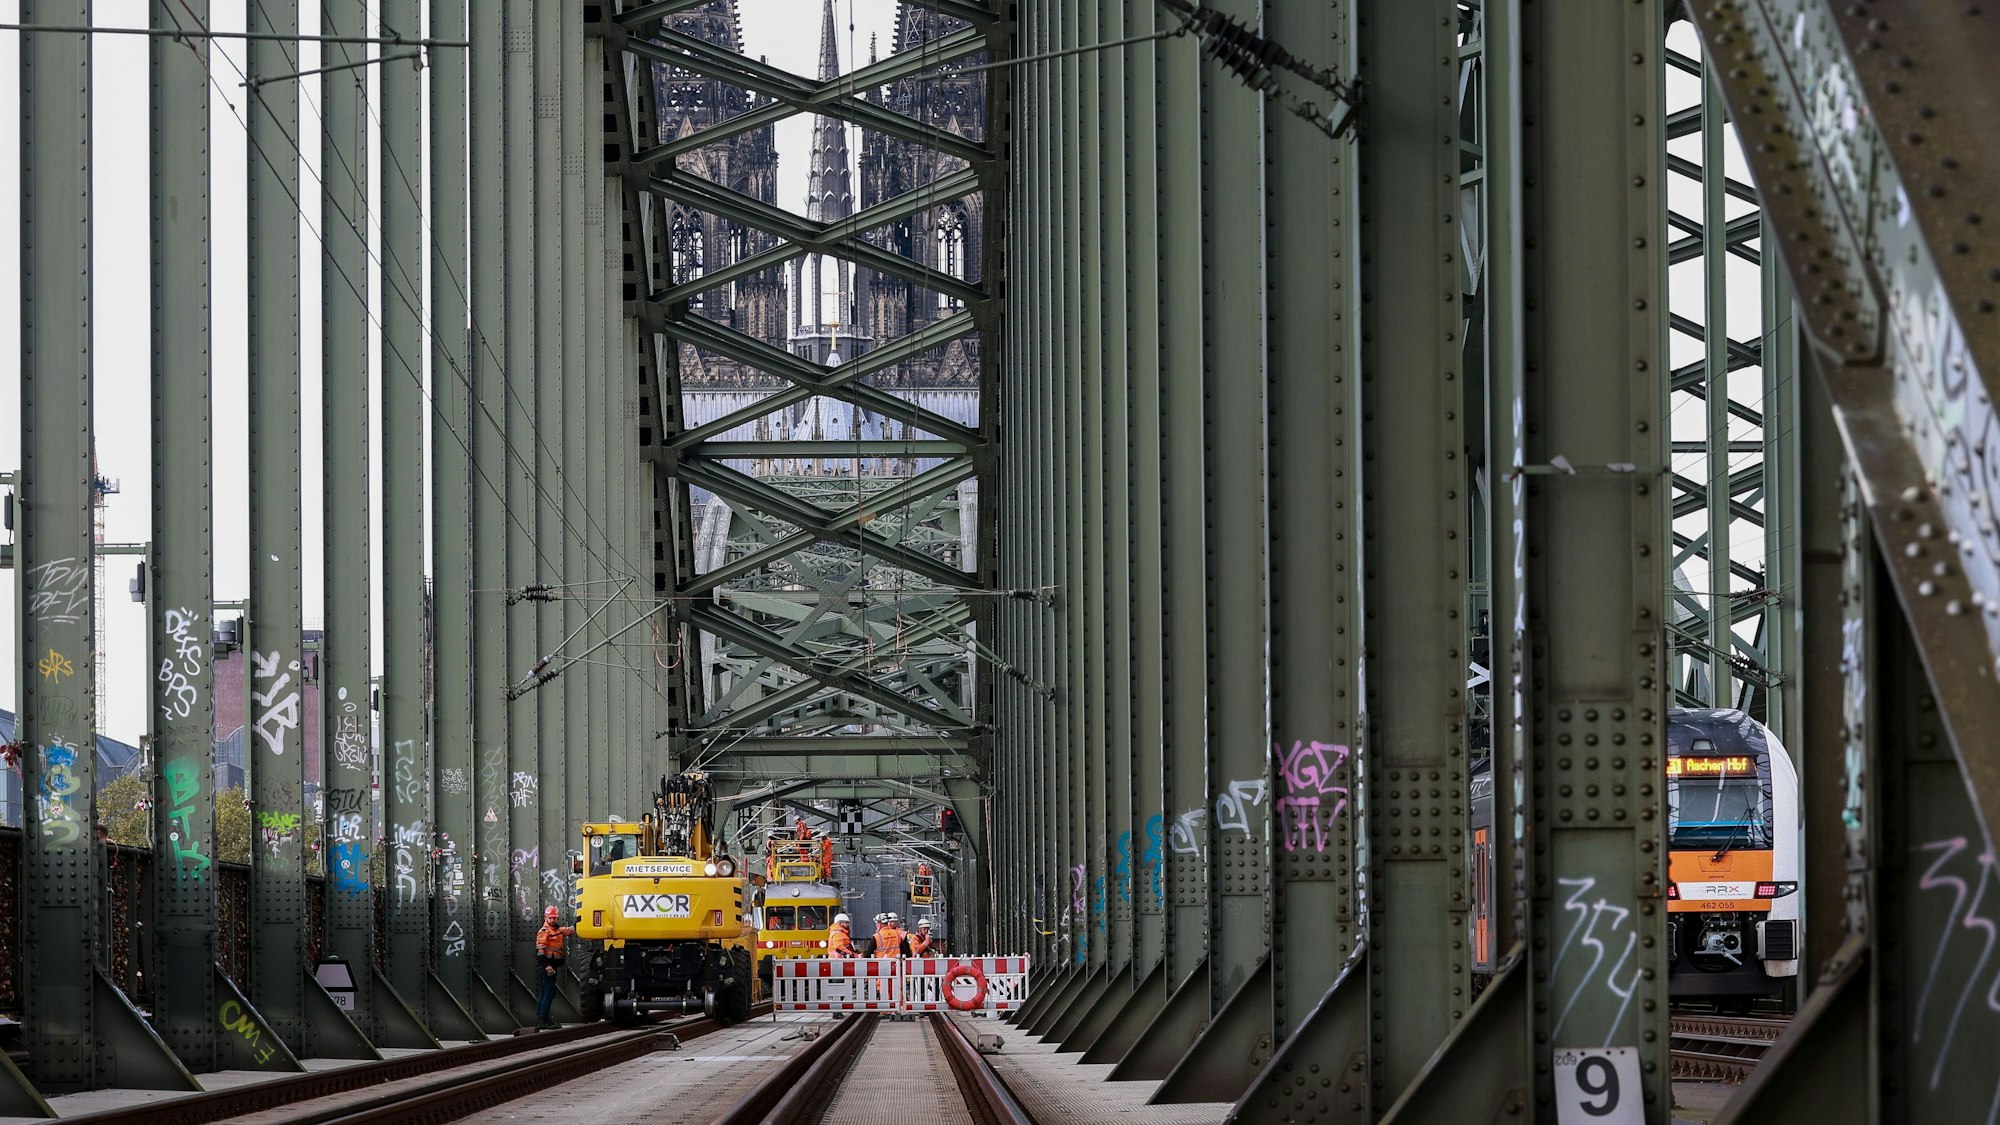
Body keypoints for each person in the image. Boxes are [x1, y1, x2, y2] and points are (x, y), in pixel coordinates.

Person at [535, 905, 575, 1029]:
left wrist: (579, 920)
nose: (552, 920)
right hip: (548, 967)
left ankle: (542, 1019)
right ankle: (543, 1021)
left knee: (545, 993)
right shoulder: (544, 931)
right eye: (550, 918)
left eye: (554, 918)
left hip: (551, 967)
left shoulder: (557, 930)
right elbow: (540, 952)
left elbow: (569, 930)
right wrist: (547, 966)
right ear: (546, 917)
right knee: (548, 993)